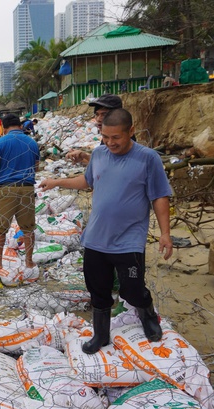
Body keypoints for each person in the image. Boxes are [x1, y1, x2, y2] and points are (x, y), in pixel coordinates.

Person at [39, 109, 173, 354]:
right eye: (105, 137)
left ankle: (148, 314)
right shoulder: (99, 154)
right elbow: (87, 181)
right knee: (97, 290)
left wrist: (165, 233)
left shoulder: (148, 158)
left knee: (132, 289)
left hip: (128, 240)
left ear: (131, 132)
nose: (110, 143)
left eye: (116, 137)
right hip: (96, 239)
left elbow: (159, 196)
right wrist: (57, 182)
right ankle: (101, 335)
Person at [0, 114, 40, 283]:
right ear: (19, 126)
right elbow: (37, 167)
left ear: (4, 128)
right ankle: (28, 261)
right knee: (28, 228)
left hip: (7, 190)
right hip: (27, 189)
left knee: (0, 228)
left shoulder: (1, 142)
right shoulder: (32, 142)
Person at [67, 94, 124, 165]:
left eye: (104, 114)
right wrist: (82, 157)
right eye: (97, 114)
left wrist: (85, 156)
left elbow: (109, 165)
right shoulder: (107, 137)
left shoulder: (123, 139)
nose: (99, 119)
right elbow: (103, 160)